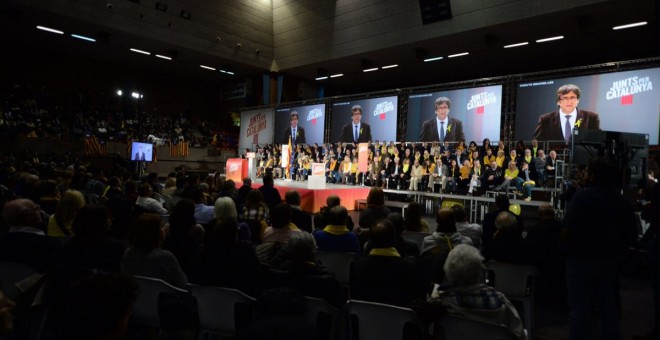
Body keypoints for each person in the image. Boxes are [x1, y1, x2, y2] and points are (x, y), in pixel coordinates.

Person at [562, 157, 636, 340]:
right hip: (608, 262)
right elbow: (631, 236)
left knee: (580, 310)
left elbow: (566, 230)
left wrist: (566, 249)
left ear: (593, 175)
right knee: (608, 310)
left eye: (587, 171)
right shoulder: (621, 201)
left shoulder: (582, 197)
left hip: (580, 260)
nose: (583, 174)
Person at [416, 244, 525, 340]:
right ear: (479, 270)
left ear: (448, 270)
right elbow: (518, 333)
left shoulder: (440, 304)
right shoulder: (500, 301)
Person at [349, 218, 424, 307]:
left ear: (371, 242)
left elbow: (355, 297)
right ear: (394, 239)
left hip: (365, 319)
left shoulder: (356, 266)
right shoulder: (410, 268)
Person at [121, 214, 188, 288]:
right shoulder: (166, 257)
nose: (164, 228)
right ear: (157, 232)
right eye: (161, 226)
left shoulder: (128, 253)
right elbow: (183, 283)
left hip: (135, 297)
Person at [0, 199, 63, 273]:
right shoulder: (50, 245)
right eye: (36, 208)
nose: (40, 211)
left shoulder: (2, 243)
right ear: (28, 216)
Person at [533, 84, 600, 143]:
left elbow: (597, 143)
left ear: (578, 100)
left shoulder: (591, 118)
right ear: (558, 101)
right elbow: (536, 144)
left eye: (572, 97)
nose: (569, 101)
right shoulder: (545, 120)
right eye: (565, 98)